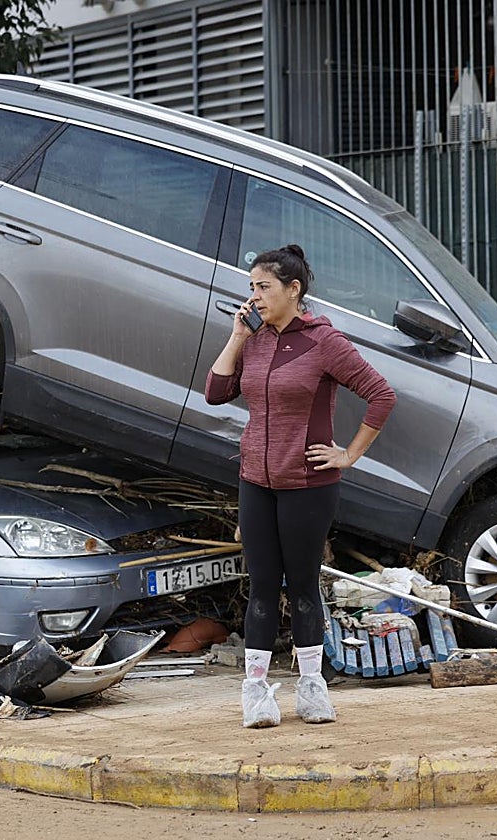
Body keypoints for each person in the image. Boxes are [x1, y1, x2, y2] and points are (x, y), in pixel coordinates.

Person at [205, 244, 396, 728]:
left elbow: (381, 395)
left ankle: (312, 688)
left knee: (304, 585)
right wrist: (235, 336)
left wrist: (348, 455)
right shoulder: (255, 338)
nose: (254, 297)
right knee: (262, 587)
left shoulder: (325, 342)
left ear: (295, 289)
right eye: (251, 288)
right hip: (256, 479)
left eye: (263, 287)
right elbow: (216, 392)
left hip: (309, 483)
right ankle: (255, 693)